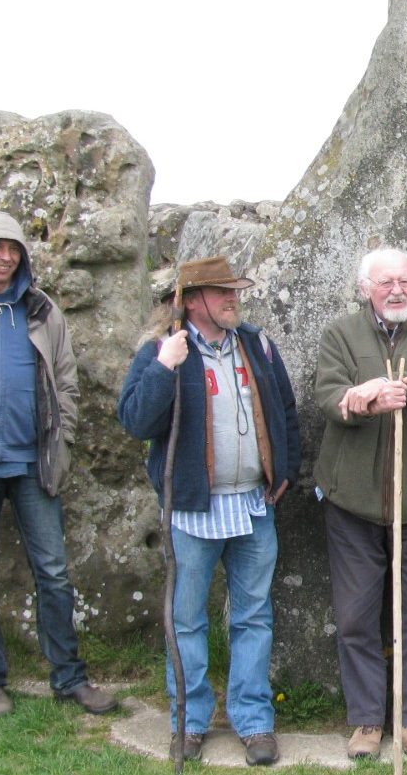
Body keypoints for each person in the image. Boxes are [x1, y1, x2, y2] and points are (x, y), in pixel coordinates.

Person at [117, 256, 301, 765]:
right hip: (192, 512)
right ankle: (189, 723)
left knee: (253, 617)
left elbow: (286, 410)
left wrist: (284, 471)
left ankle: (254, 721)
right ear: (191, 299)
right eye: (222, 293)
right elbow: (135, 421)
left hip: (253, 506)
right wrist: (163, 368)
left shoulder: (257, 345)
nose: (232, 300)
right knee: (187, 621)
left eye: (234, 292)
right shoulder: (161, 350)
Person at [0, 212, 117, 717]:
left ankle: (69, 678)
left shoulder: (42, 311)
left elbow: (66, 381)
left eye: (13, 249)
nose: (4, 257)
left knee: (54, 574)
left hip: (32, 461)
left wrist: (64, 442)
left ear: (23, 257)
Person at [313, 247, 407, 759]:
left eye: (405, 281)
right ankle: (368, 721)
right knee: (356, 615)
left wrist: (398, 389)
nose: (396, 290)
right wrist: (361, 397)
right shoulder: (341, 334)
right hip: (352, 502)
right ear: (364, 288)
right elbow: (327, 393)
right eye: (384, 282)